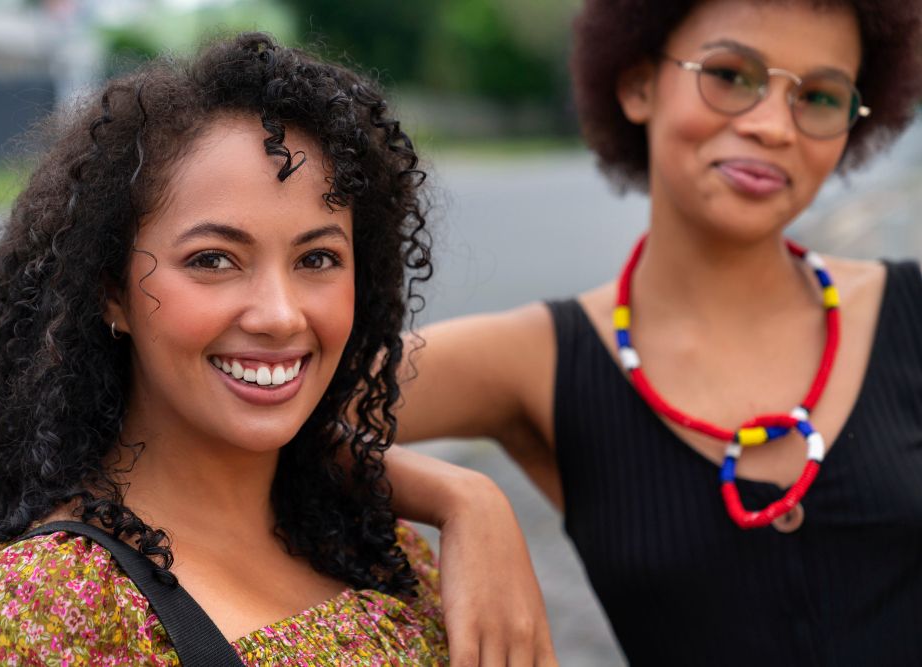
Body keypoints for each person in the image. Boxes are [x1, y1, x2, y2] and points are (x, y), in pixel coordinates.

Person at [0, 33, 556, 666]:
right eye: (213, 260)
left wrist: (470, 500)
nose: (280, 315)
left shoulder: (385, 548)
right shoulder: (49, 607)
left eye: (317, 258)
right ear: (111, 292)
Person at [389, 0, 922, 664]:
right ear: (638, 84)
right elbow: (276, 411)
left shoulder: (908, 307)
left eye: (819, 95)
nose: (772, 125)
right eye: (731, 75)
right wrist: (461, 497)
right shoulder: (537, 357)